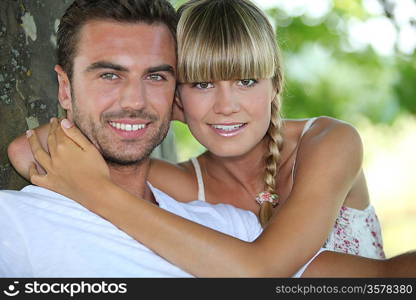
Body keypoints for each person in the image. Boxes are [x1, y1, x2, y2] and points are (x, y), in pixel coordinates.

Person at [7, 0, 415, 277]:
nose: (226, 106)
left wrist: (95, 191)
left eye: (248, 81)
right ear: (179, 98)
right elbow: (27, 150)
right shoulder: (183, 183)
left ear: (275, 86)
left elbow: (262, 271)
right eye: (201, 84)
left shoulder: (327, 142)